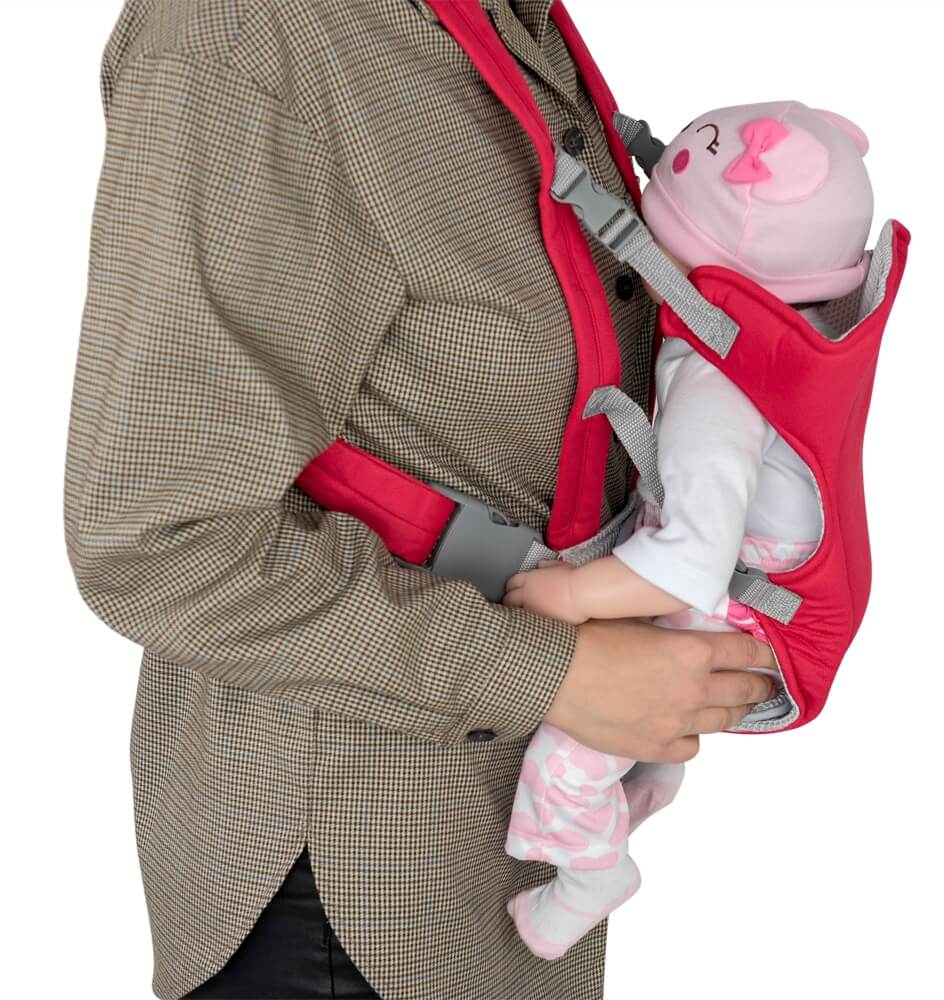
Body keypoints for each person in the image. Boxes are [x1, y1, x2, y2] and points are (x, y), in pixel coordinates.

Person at [64, 2, 776, 998]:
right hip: (352, 889)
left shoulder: (508, 18)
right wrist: (556, 674)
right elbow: (157, 541)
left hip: (504, 859)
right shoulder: (251, 36)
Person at [503, 101, 874, 957]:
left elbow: (691, 564)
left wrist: (571, 594)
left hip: (744, 608)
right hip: (772, 581)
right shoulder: (780, 334)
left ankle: (592, 878)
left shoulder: (719, 385)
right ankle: (652, 777)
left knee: (563, 757)